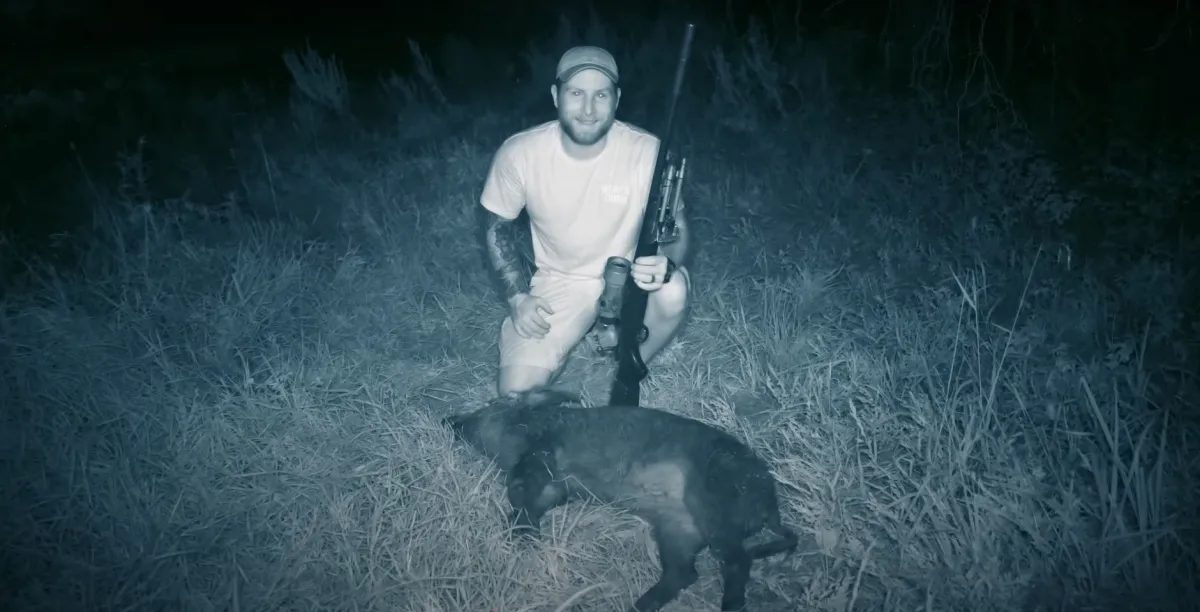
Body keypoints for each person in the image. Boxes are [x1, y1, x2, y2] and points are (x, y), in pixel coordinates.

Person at [478, 45, 693, 397]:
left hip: (630, 275)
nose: (589, 110)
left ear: (617, 98)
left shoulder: (649, 152)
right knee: (516, 393)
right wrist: (518, 297)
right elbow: (496, 226)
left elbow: (678, 228)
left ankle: (631, 363)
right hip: (562, 280)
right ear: (555, 95)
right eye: (576, 93)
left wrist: (667, 262)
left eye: (601, 95)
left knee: (673, 290)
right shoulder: (520, 154)